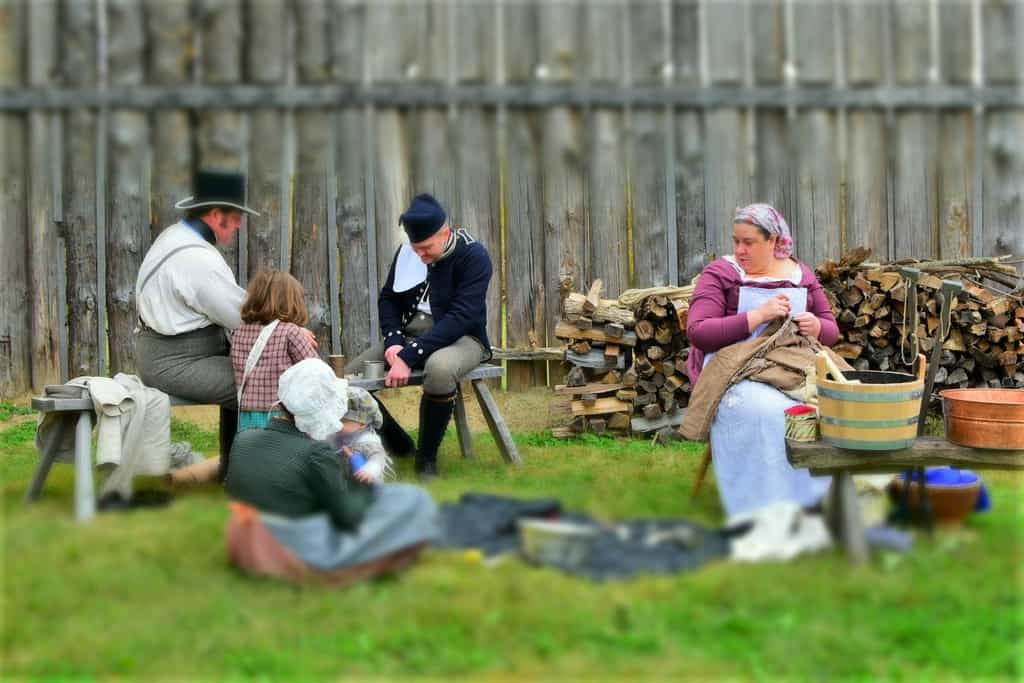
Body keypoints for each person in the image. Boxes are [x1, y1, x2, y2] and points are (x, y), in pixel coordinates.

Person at [684, 203, 841, 518]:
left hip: (791, 364)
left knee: (832, 404)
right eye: (736, 241)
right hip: (733, 368)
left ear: (773, 242)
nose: (740, 250)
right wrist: (758, 315)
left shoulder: (800, 274)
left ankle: (818, 500)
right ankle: (763, 505)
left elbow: (831, 329)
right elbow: (698, 331)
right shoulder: (722, 273)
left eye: (749, 242)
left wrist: (817, 326)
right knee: (769, 411)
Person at [224, 358, 439, 586]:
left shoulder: (243, 437)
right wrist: (359, 483)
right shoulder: (316, 453)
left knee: (400, 496)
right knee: (414, 499)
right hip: (298, 542)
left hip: (246, 532)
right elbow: (348, 516)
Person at [349, 193, 493, 478]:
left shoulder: (474, 256)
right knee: (347, 384)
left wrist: (408, 355)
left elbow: (461, 316)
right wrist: (393, 341)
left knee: (439, 369)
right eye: (417, 249)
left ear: (445, 233)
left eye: (426, 248)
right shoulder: (408, 253)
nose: (421, 256)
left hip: (463, 339)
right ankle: (400, 445)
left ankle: (426, 460)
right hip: (409, 337)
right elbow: (388, 299)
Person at [135, 169, 258, 479]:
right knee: (260, 382)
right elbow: (243, 315)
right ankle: (256, 474)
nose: (240, 224)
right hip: (175, 362)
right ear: (217, 215)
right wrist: (289, 325)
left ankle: (234, 469)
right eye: (236, 216)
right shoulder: (196, 258)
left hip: (168, 356)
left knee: (248, 373)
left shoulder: (176, 236)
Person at [230, 270, 319, 433]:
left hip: (246, 414)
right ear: (291, 301)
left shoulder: (238, 332)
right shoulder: (290, 332)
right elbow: (316, 371)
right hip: (281, 414)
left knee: (254, 453)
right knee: (279, 455)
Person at [326, 386, 395, 484]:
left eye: (342, 421)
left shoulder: (368, 441)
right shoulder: (337, 433)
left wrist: (370, 470)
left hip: (364, 482)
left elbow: (378, 457)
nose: (335, 424)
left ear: (362, 424)